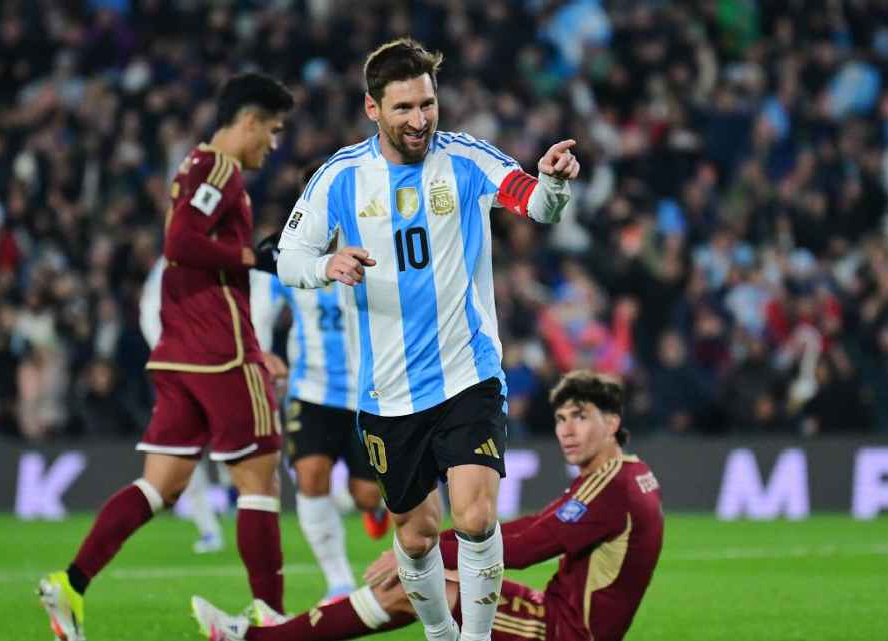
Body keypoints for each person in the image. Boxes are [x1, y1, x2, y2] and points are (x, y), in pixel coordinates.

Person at [276, 37, 581, 641]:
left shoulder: (464, 158)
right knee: (416, 538)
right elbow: (290, 255)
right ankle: (440, 633)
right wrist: (325, 266)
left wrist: (553, 185)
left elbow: (534, 204)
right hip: (386, 391)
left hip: (468, 372)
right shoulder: (340, 178)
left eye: (428, 104)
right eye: (404, 109)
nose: (420, 120)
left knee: (476, 516)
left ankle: (474, 638)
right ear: (373, 109)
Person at [37, 71, 295, 641]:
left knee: (162, 485)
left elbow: (182, 241)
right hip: (221, 350)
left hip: (179, 351)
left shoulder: (191, 166)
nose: (272, 145)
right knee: (259, 481)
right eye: (271, 131)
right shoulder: (222, 170)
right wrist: (253, 258)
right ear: (248, 121)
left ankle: (71, 582)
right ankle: (271, 619)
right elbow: (180, 242)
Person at [190, 369, 664, 641]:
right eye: (561, 418)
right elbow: (535, 527)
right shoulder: (629, 475)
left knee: (410, 585)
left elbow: (523, 547)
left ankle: (259, 637)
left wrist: (419, 550)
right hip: (560, 616)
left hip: (563, 633)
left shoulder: (613, 486)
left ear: (613, 421)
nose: (566, 430)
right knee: (424, 584)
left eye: (580, 417)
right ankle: (278, 631)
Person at [254, 237, 391, 605]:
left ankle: (375, 508)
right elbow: (262, 296)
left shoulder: (370, 238)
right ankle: (339, 583)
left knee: (366, 495)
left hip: (367, 392)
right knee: (311, 475)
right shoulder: (292, 254)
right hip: (311, 390)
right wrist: (262, 350)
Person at [139, 255, 290, 555]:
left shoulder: (245, 256)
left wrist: (258, 353)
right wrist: (172, 354)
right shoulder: (173, 259)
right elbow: (149, 311)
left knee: (239, 446)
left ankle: (239, 507)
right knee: (185, 452)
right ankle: (210, 527)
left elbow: (264, 307)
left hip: (236, 365)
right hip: (194, 367)